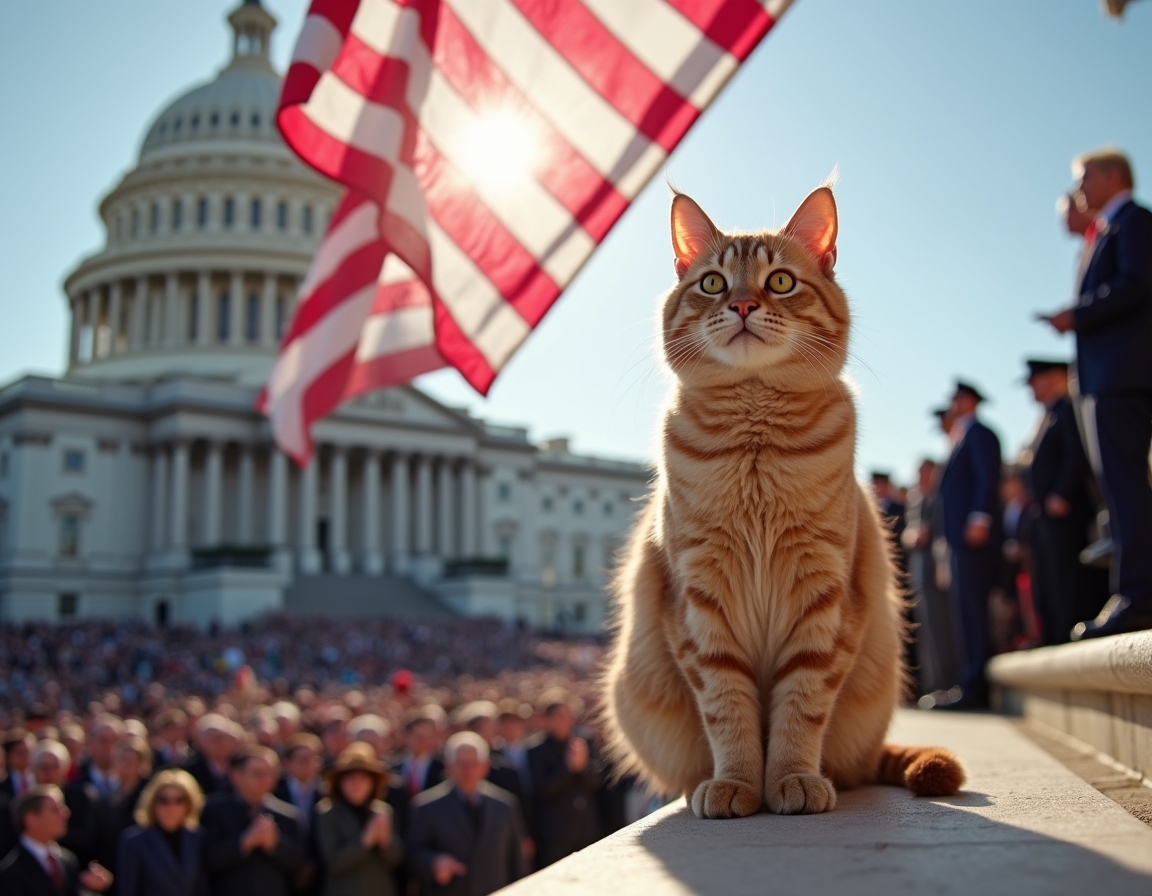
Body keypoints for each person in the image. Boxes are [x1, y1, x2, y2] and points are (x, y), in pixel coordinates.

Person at [1039, 148, 1152, 639]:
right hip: (1109, 377)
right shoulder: (1110, 229)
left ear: (1112, 176)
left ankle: (1139, 594)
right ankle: (1135, 589)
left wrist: (1076, 315)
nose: (1079, 189)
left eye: (1085, 178)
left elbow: (1138, 283)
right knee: (1121, 488)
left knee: (1126, 486)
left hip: (1123, 376)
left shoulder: (1132, 222)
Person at [1020, 358, 1110, 645]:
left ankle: (1071, 628)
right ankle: (1055, 632)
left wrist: (1062, 493)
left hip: (1066, 511)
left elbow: (1076, 456)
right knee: (1050, 578)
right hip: (1046, 515)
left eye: (1035, 381)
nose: (1031, 388)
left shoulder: (1067, 409)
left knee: (1069, 577)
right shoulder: (1047, 416)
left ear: (1053, 378)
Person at [937, 381, 1003, 709]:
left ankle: (976, 686)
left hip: (972, 537)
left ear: (967, 401)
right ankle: (970, 680)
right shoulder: (961, 436)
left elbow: (986, 477)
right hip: (959, 540)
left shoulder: (980, 434)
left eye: (955, 398)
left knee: (974, 610)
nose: (952, 404)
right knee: (965, 611)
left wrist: (980, 517)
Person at [407, 732, 527, 895]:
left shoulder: (505, 805)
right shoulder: (426, 806)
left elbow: (518, 862)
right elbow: (413, 852)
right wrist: (434, 862)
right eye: (461, 764)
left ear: (485, 767)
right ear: (449, 766)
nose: (468, 770)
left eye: (473, 763)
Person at [200, 745, 305, 896]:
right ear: (237, 775)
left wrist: (274, 844)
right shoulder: (213, 810)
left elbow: (298, 864)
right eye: (257, 773)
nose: (266, 779)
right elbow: (206, 859)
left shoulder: (288, 814)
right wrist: (244, 843)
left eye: (271, 773)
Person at [902, 457, 959, 698]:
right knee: (926, 630)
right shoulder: (915, 500)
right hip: (919, 571)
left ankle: (947, 681)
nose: (921, 476)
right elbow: (905, 533)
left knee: (942, 627)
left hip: (935, 569)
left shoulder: (938, 497)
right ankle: (932, 683)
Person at [526, 690, 603, 868]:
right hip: (555, 834)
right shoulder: (535, 750)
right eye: (560, 716)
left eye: (569, 715)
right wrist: (568, 768)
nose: (566, 721)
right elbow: (543, 789)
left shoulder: (584, 742)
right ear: (547, 719)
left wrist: (582, 768)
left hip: (586, 828)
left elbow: (596, 782)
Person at [314, 743, 403, 896]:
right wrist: (365, 841)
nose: (356, 784)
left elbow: (396, 860)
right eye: (350, 778)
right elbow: (334, 864)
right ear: (339, 782)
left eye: (363, 778)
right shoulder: (327, 812)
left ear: (373, 782)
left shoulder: (383, 811)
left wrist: (385, 841)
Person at [0, 785, 113, 895]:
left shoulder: (68, 861)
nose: (66, 814)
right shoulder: (9, 873)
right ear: (31, 819)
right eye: (55, 809)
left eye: (63, 807)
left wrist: (90, 888)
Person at [116, 770, 207, 896]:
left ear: (189, 804)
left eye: (179, 800)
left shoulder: (197, 838)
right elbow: (127, 890)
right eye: (164, 800)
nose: (171, 807)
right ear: (153, 803)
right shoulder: (133, 841)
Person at [184, 714, 240, 798]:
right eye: (216, 738)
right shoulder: (189, 771)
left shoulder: (240, 766)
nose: (222, 743)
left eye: (225, 737)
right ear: (200, 741)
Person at [1, 729, 35, 799]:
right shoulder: (2, 782)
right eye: (20, 753)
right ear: (8, 755)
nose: (25, 756)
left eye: (28, 751)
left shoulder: (40, 777)